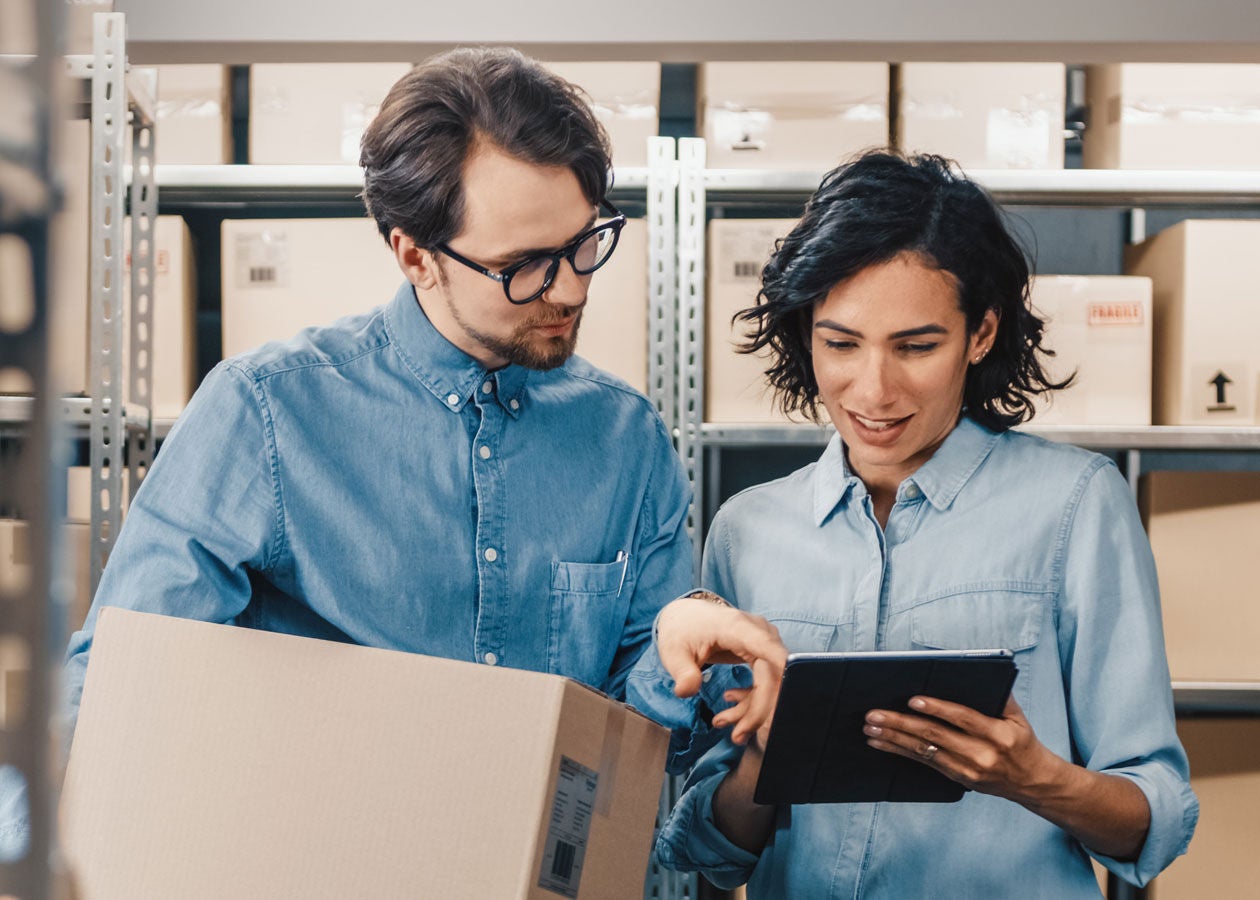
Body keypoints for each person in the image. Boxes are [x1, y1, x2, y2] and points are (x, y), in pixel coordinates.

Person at [0, 47, 786, 855]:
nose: (573, 288)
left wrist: (669, 648)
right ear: (414, 255)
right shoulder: (266, 414)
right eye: (525, 267)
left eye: (585, 243)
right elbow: (117, 691)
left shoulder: (627, 441)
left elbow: (633, 733)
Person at [656, 151, 1198, 897]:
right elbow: (715, 854)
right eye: (840, 343)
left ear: (979, 335)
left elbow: (1155, 821)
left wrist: (1034, 779)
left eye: (917, 346)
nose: (873, 389)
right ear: (804, 330)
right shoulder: (747, 530)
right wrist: (764, 758)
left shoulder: (1075, 505)